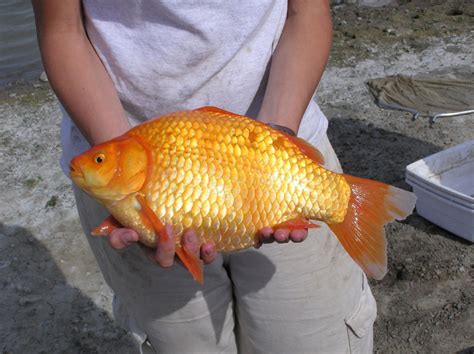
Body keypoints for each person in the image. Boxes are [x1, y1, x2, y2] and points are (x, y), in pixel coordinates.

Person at [33, 0, 377, 352]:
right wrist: (112, 158)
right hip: (114, 131)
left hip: (277, 154)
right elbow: (61, 29)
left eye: (101, 161)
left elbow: (307, 12)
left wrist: (278, 136)